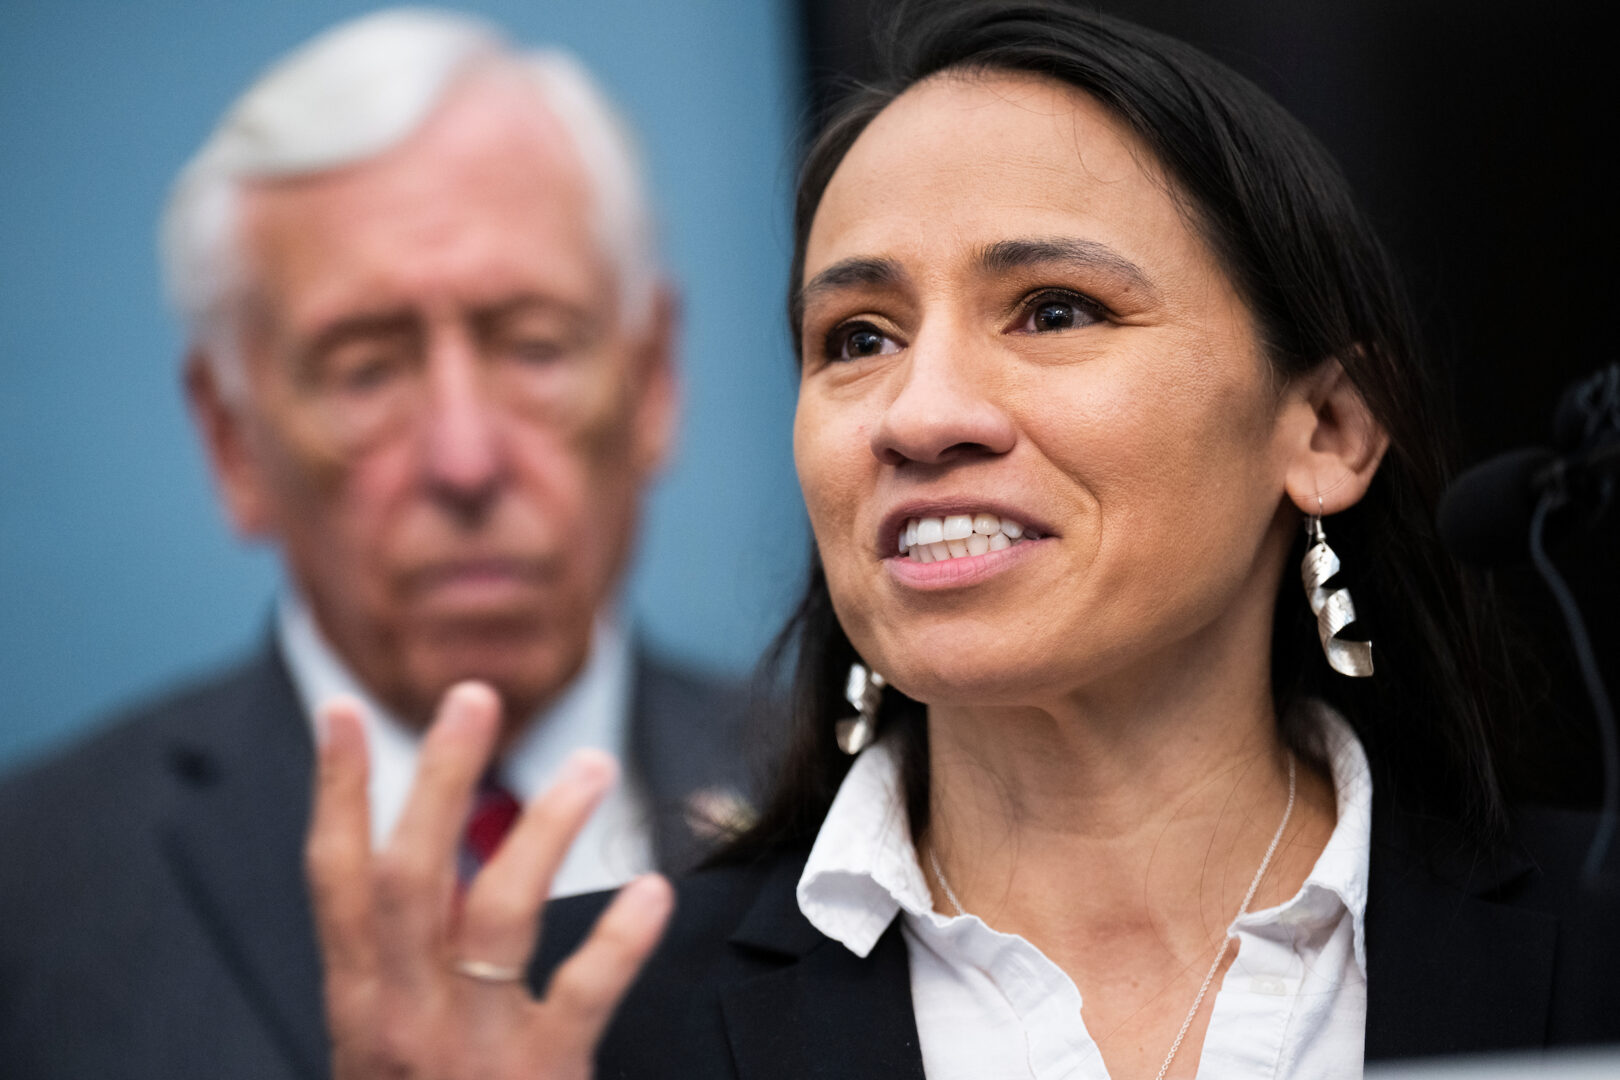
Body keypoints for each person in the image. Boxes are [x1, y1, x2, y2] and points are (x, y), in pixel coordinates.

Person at [303, 2, 1620, 1077]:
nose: (919, 416)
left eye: (1054, 310)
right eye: (857, 341)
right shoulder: (566, 1027)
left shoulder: (1596, 940)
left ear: (1328, 428)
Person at [0, 10, 755, 1078]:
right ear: (232, 443)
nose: (464, 459)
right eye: (366, 369)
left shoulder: (868, 805)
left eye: (535, 346)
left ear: (654, 383)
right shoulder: (33, 891)